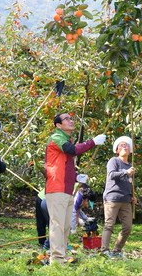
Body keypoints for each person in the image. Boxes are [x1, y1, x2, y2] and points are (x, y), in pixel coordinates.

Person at [45, 112, 106, 264]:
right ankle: (56, 258)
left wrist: (76, 176)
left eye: (71, 118)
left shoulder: (66, 140)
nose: (71, 121)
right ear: (59, 125)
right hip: (57, 187)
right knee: (58, 224)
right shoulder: (57, 138)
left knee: (66, 225)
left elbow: (64, 164)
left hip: (67, 189)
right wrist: (92, 142)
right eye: (67, 119)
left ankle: (61, 255)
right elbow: (72, 150)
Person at [101, 136, 136, 258]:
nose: (124, 146)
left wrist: (132, 196)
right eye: (121, 145)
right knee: (109, 224)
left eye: (126, 145)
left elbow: (129, 183)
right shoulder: (114, 161)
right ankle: (104, 250)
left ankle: (117, 251)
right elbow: (111, 175)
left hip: (126, 200)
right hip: (112, 198)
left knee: (127, 227)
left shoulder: (131, 165)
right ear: (117, 150)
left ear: (130, 150)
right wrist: (126, 172)